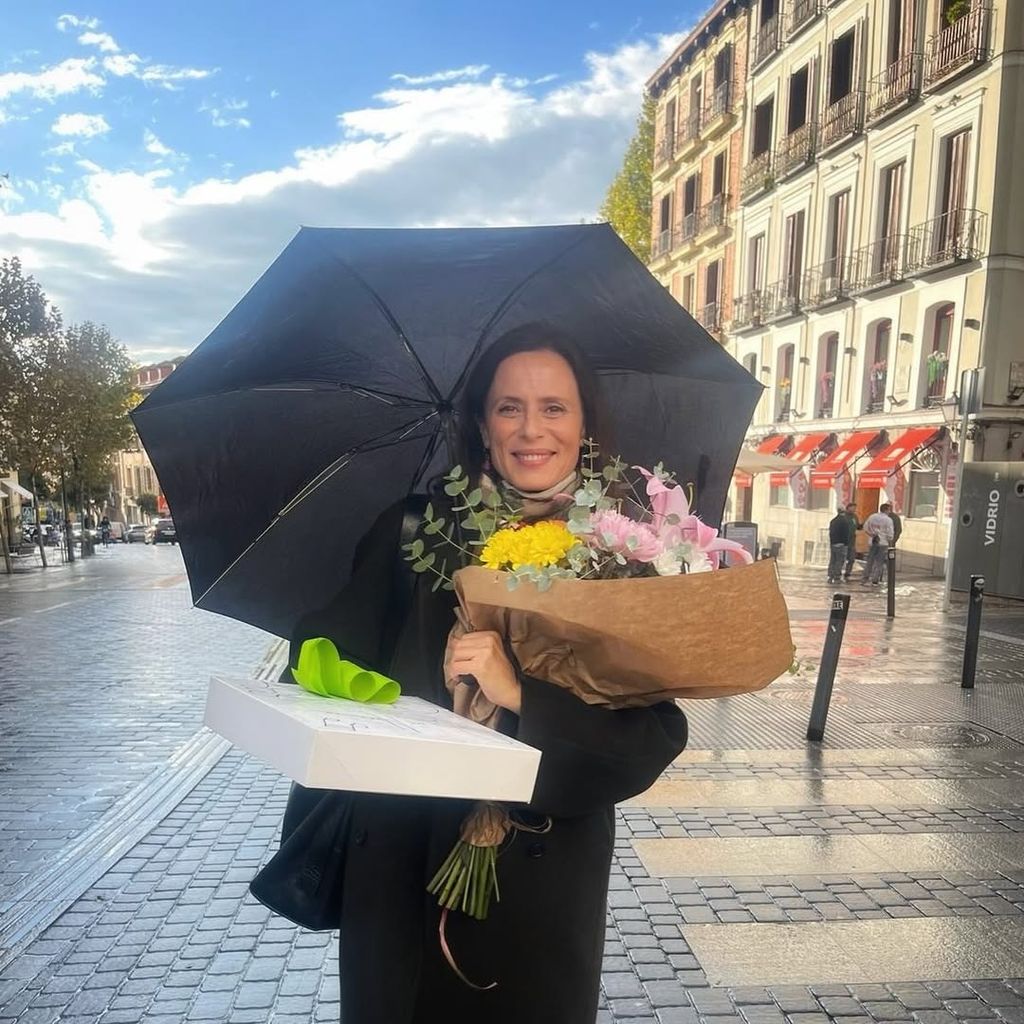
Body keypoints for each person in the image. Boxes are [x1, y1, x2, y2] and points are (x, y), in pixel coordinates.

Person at [284, 325, 688, 1024]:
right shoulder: (415, 532)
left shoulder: (619, 555)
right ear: (481, 422)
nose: (532, 430)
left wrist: (518, 694)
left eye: (555, 407)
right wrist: (397, 688)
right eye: (509, 407)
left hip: (540, 893)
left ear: (585, 423)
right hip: (399, 875)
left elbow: (649, 741)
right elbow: (316, 656)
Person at [861, 503, 895, 585]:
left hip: (872, 541)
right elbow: (890, 534)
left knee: (870, 560)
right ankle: (875, 579)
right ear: (886, 510)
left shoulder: (872, 516)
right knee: (879, 562)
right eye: (889, 510)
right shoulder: (888, 520)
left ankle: (865, 578)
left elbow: (865, 527)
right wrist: (889, 539)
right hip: (883, 543)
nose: (889, 511)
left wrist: (871, 534)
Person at [827, 507, 853, 584]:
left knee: (833, 560)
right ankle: (837, 576)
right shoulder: (845, 521)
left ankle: (830, 575)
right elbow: (846, 534)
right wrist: (846, 543)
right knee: (840, 561)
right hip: (841, 544)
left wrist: (832, 542)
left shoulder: (833, 521)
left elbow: (830, 533)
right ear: (844, 512)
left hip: (833, 543)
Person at [842, 502, 859, 580]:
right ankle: (838, 572)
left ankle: (848, 573)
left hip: (852, 541)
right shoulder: (844, 517)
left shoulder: (854, 517)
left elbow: (857, 526)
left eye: (855, 508)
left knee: (851, 558)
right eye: (853, 508)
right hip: (844, 541)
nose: (854, 510)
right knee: (842, 558)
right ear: (848, 508)